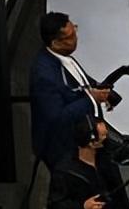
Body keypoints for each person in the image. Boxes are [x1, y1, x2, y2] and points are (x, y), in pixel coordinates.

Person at [29, 11, 113, 169]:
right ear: (55, 43)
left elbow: (81, 81)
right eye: (70, 36)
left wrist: (100, 91)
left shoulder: (63, 56)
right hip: (65, 149)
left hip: (88, 138)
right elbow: (57, 118)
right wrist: (91, 99)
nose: (76, 39)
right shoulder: (44, 75)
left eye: (75, 30)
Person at [48, 116, 129, 209]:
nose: (107, 139)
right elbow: (57, 205)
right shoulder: (65, 171)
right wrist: (83, 207)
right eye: (103, 136)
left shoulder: (105, 162)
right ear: (91, 142)